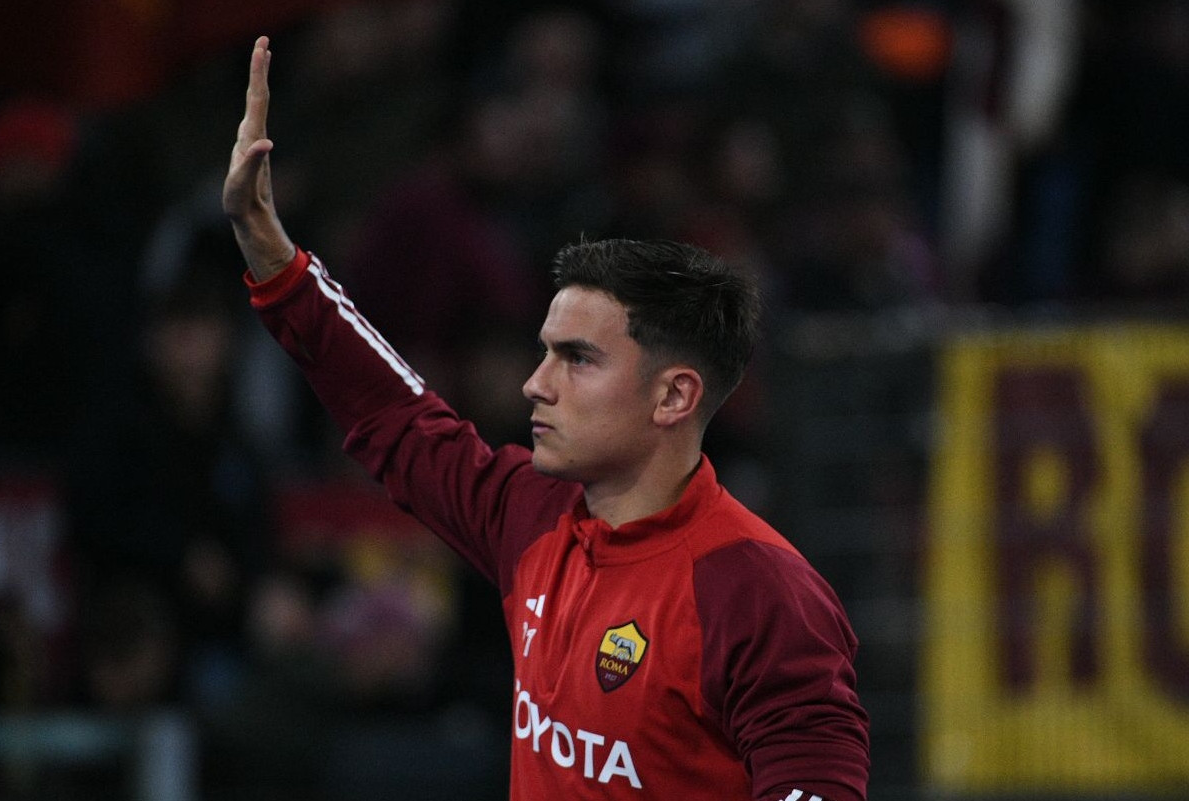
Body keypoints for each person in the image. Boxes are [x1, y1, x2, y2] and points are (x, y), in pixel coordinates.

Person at [224, 35, 869, 801]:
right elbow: (399, 417)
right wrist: (272, 253)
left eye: (578, 358)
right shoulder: (530, 513)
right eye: (544, 353)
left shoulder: (759, 592)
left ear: (674, 397)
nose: (535, 384)